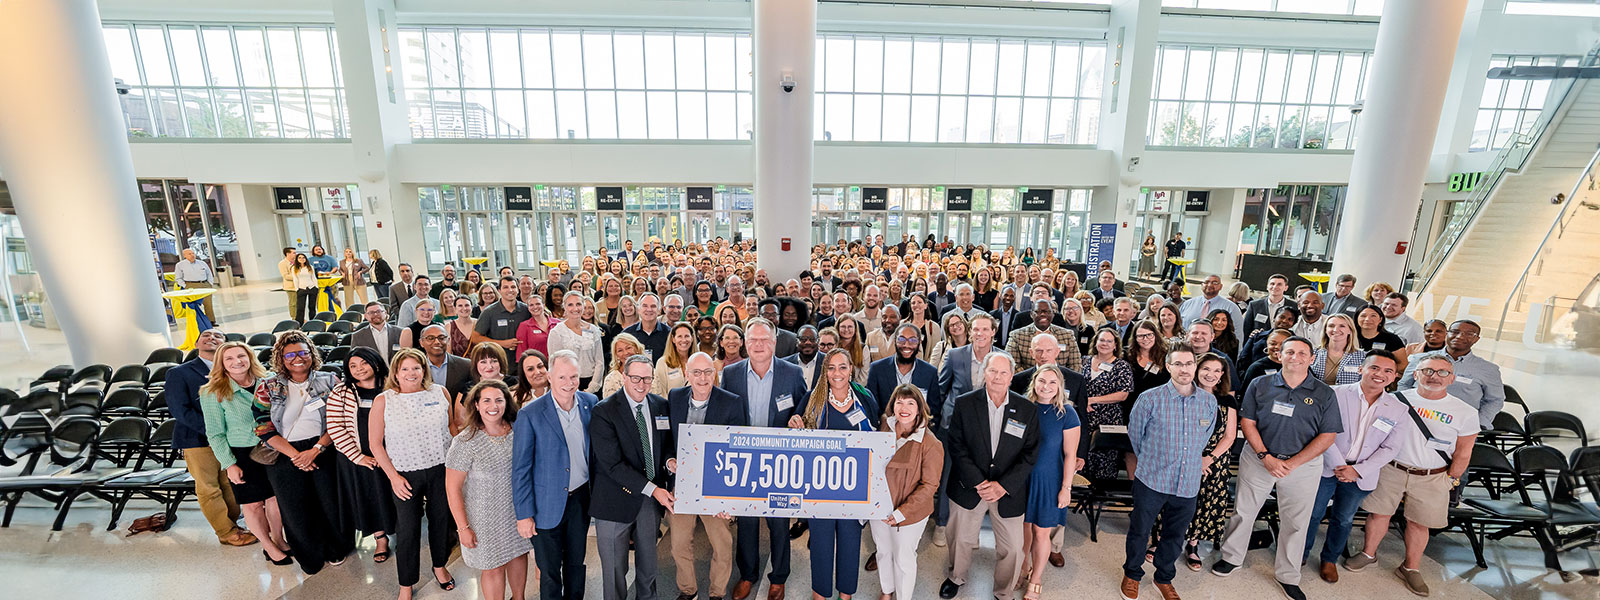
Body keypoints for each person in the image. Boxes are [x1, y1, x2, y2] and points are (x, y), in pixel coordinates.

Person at [1212, 336, 1342, 600]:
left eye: (1302, 353)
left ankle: (1288, 576)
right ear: (1279, 356)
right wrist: (1265, 456)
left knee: (1296, 522)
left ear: (1312, 358)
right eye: (1290, 352)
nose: (1296, 357)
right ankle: (1232, 557)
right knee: (1244, 511)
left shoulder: (1325, 393)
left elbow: (1328, 436)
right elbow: (1247, 422)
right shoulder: (1260, 384)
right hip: (1259, 458)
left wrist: (1293, 463)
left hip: (1302, 465)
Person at [1346, 354, 1478, 597]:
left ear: (1452, 378)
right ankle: (1368, 554)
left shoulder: (1465, 412)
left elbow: (1464, 451)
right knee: (1379, 514)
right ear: (1415, 374)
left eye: (1442, 372)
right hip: (1391, 468)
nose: (1434, 376)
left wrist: (1452, 479)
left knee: (1419, 523)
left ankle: (1410, 567)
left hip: (1433, 475)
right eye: (1427, 370)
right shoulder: (1396, 400)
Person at [1301, 351, 1411, 585]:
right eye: (1374, 368)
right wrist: (1340, 465)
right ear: (1361, 369)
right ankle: (1299, 556)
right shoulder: (1335, 394)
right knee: (1312, 514)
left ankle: (1329, 559)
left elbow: (1391, 448)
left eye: (1387, 371)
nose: (1380, 374)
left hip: (1362, 474)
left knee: (1343, 519)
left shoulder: (1398, 408)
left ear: (1394, 377)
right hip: (1326, 466)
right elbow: (1321, 431)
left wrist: (1358, 470)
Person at [939, 351, 1040, 600]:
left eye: (1003, 372)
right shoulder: (965, 403)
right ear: (984, 372)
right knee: (960, 538)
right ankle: (956, 576)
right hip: (969, 485)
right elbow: (957, 446)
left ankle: (1003, 590)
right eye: (992, 371)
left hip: (1008, 490)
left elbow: (1030, 453)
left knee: (1013, 548)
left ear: (1012, 375)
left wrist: (1003, 486)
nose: (997, 377)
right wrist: (979, 482)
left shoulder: (1026, 409)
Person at [251, 332, 353, 574]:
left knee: (331, 502)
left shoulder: (330, 380)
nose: (298, 358)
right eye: (290, 355)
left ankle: (336, 548)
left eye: (303, 353)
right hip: (284, 452)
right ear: (281, 358)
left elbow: (342, 420)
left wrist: (316, 450)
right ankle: (310, 556)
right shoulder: (268, 386)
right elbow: (262, 426)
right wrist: (296, 455)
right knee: (295, 508)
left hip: (324, 448)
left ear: (311, 354)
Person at [1121, 343, 1216, 600]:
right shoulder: (1150, 398)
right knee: (1140, 530)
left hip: (1187, 483)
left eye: (1188, 363)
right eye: (1178, 364)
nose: (1184, 369)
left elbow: (1204, 437)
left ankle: (1163, 577)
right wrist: (1156, 459)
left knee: (1175, 535)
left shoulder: (1208, 401)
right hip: (1152, 478)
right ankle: (1132, 573)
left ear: (1195, 366)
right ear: (1168, 366)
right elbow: (1136, 436)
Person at [723, 318, 808, 600]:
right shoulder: (731, 373)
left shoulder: (792, 373)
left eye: (764, 340)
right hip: (744, 462)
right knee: (746, 521)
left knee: (779, 522)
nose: (759, 345)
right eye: (753, 340)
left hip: (779, 463)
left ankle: (779, 577)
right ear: (746, 344)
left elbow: (802, 411)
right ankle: (747, 574)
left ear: (774, 343)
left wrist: (799, 419)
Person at [789, 349, 879, 600]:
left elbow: (877, 438)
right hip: (820, 490)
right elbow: (796, 438)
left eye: (842, 367)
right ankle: (820, 595)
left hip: (855, 489)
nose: (836, 373)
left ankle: (846, 595)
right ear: (824, 371)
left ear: (851, 369)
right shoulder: (812, 398)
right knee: (820, 544)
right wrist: (795, 424)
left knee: (851, 544)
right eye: (831, 368)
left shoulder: (865, 397)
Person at [370, 348, 458, 598]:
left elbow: (451, 427)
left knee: (441, 522)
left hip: (441, 469)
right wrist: (393, 477)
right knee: (407, 530)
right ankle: (406, 584)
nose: (411, 373)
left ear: (424, 370)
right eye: (405, 369)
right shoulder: (384, 400)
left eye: (416, 368)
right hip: (404, 474)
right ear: (396, 373)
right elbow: (376, 443)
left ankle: (440, 567)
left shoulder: (439, 392)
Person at [513, 350, 597, 600]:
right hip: (544, 506)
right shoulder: (530, 414)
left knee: (576, 565)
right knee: (549, 572)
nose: (569, 383)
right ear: (549, 376)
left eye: (574, 377)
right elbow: (520, 469)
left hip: (580, 500)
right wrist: (524, 515)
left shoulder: (590, 403)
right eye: (562, 377)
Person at [589, 355, 673, 600]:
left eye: (647, 378)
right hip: (614, 501)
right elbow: (613, 465)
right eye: (635, 378)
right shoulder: (604, 411)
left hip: (648, 503)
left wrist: (669, 461)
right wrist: (654, 489)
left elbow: (666, 444)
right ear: (624, 377)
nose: (641, 384)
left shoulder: (660, 405)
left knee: (649, 565)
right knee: (615, 570)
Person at [664, 352, 746, 600]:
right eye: (696, 372)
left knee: (722, 545)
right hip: (683, 483)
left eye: (708, 371)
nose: (702, 377)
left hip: (715, 484)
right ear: (687, 374)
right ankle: (688, 590)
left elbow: (738, 449)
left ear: (715, 373)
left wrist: (731, 498)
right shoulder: (675, 397)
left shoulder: (731, 402)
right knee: (678, 543)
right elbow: (667, 438)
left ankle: (717, 593)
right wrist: (669, 460)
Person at [199, 340, 288, 563]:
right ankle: (268, 546)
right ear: (221, 364)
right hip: (242, 453)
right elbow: (215, 434)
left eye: (241, 356)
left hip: (273, 447)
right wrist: (229, 464)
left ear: (250, 358)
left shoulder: (269, 381)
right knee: (253, 503)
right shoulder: (212, 392)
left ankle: (278, 538)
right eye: (229, 358)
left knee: (276, 499)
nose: (237, 362)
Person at [164, 328, 252, 546]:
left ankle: (234, 525)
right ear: (196, 344)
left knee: (230, 484)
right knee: (209, 488)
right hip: (197, 439)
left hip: (231, 439)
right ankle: (225, 531)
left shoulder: (232, 370)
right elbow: (180, 410)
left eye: (217, 336)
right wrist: (215, 431)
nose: (211, 338)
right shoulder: (179, 373)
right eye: (206, 336)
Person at [446, 381, 531, 600]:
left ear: (507, 403)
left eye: (499, 400)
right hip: (483, 518)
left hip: (517, 512)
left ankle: (519, 597)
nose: (493, 406)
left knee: (519, 555)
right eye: (486, 400)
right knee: (492, 567)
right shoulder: (465, 441)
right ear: (476, 404)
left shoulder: (519, 431)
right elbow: (452, 488)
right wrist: (463, 528)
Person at [869, 385, 943, 600]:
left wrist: (901, 513)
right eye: (899, 402)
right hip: (879, 509)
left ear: (920, 409)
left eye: (911, 403)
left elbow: (930, 486)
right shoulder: (884, 427)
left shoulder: (930, 444)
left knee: (903, 558)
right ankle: (887, 591)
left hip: (909, 515)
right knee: (883, 551)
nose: (904, 407)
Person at [325, 346, 397, 566]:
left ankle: (403, 531)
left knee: (396, 496)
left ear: (375, 362)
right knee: (371, 500)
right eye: (353, 366)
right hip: (361, 458)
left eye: (364, 363)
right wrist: (359, 457)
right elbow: (335, 427)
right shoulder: (341, 392)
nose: (359, 369)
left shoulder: (392, 385)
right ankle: (380, 538)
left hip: (394, 455)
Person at [1019, 366, 1081, 600]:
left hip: (1049, 480)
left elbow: (1070, 456)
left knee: (1041, 531)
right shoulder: (1024, 407)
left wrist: (1066, 488)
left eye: (1052, 382)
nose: (1046, 386)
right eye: (1041, 380)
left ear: (1060, 386)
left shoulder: (1067, 413)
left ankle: (1036, 579)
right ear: (1034, 381)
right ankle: (1024, 567)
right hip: (1023, 478)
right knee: (1024, 528)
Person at [1181, 353, 1239, 572]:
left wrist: (1208, 459)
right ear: (1197, 369)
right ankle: (1160, 539)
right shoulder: (1184, 394)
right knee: (1174, 500)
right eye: (1206, 369)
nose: (1211, 374)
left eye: (1217, 370)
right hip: (1184, 456)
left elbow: (1230, 436)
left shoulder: (1227, 400)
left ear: (1222, 374)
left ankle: (1193, 546)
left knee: (1202, 501)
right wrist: (1193, 459)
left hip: (1213, 461)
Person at [1396, 320, 1504, 427]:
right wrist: (1404, 411)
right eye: (1455, 332)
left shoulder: (1488, 369)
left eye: (1469, 334)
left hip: (1458, 424)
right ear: (1447, 334)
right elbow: (1404, 385)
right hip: (1415, 419)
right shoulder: (1421, 359)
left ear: (1476, 339)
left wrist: (1477, 423)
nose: (1460, 336)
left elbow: (1495, 400)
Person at [867, 323, 942, 438]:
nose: (906, 345)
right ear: (894, 341)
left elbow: (933, 411)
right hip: (885, 435)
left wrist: (923, 436)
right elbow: (872, 408)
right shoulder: (877, 369)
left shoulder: (929, 372)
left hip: (918, 437)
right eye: (901, 339)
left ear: (919, 343)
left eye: (912, 340)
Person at [1080, 328, 1134, 481]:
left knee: (1106, 461)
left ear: (1115, 345)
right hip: (1085, 417)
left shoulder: (1121, 366)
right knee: (1083, 458)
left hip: (1109, 419)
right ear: (1095, 342)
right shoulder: (1084, 361)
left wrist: (1093, 400)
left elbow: (1123, 394)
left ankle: (1102, 501)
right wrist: (1083, 402)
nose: (1105, 344)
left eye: (1109, 341)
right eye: (1101, 340)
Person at [1005, 299, 1084, 374]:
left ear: (1053, 315)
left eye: (1047, 311)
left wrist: (1057, 380)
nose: (1043, 314)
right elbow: (1011, 364)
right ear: (1032, 315)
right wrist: (1036, 379)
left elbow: (1075, 365)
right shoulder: (1017, 336)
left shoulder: (1067, 335)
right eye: (1038, 312)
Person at [550, 291, 606, 394]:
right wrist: (568, 386)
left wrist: (592, 387)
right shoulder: (557, 332)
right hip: (567, 385)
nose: (575, 309)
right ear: (564, 307)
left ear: (583, 306)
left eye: (578, 304)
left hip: (592, 383)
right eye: (570, 305)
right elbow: (555, 364)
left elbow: (600, 361)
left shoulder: (593, 330)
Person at [474, 276, 532, 354]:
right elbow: (475, 338)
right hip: (498, 359)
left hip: (523, 359)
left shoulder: (526, 310)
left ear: (518, 290)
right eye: (505, 287)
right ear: (499, 291)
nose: (510, 290)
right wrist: (502, 343)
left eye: (513, 287)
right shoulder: (489, 312)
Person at [1179, 275, 1244, 342]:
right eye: (1206, 282)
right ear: (1202, 285)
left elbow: (1238, 334)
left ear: (1221, 286)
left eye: (1215, 283)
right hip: (1187, 347)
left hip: (1219, 348)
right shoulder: (1187, 304)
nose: (1210, 285)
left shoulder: (1231, 308)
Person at [1311, 314, 1366, 386]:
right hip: (1317, 396)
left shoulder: (1362, 356)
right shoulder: (1313, 353)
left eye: (1342, 326)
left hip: (1347, 397)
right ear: (1325, 330)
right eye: (1331, 326)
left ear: (1350, 330)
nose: (1335, 330)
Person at [419, 323, 474, 395]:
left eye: (441, 338)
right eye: (430, 338)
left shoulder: (466, 365)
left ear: (448, 341)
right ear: (421, 343)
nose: (437, 342)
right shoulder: (416, 368)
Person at [652, 322, 697, 396]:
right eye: (679, 336)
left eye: (687, 336)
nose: (684, 340)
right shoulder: (663, 363)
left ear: (692, 338)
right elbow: (661, 393)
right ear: (673, 339)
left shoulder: (698, 362)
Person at [624, 293, 671, 362]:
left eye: (653, 306)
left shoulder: (669, 333)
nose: (649, 309)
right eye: (645, 306)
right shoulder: (627, 334)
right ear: (638, 309)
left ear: (659, 310)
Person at [174, 248, 218, 321]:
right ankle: (196, 321)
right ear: (184, 256)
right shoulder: (180, 265)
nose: (192, 255)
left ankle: (211, 321)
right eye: (189, 254)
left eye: (193, 253)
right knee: (193, 305)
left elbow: (209, 274)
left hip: (205, 285)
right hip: (190, 286)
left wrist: (210, 284)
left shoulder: (202, 263)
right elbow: (178, 278)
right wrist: (185, 286)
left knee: (208, 305)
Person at [1243, 274, 1291, 340]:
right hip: (1258, 345)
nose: (1275, 286)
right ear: (1267, 287)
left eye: (1279, 284)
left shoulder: (1293, 306)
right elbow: (1246, 329)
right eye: (1272, 284)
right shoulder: (1254, 305)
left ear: (1286, 288)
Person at [601, 333, 647, 398]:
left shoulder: (651, 373)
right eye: (620, 350)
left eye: (628, 348)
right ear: (616, 355)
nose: (625, 353)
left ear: (637, 348)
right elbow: (608, 407)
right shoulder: (611, 379)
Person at [783, 325, 825, 393]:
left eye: (812, 339)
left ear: (818, 342)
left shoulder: (828, 362)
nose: (808, 342)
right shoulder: (785, 364)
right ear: (797, 342)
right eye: (803, 339)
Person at [291, 252, 319, 323]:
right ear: (297, 259)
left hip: (311, 287)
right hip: (301, 288)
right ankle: (299, 323)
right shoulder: (294, 268)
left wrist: (316, 287)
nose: (302, 259)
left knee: (312, 307)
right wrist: (297, 289)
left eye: (303, 257)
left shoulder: (310, 267)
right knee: (300, 308)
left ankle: (313, 322)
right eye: (299, 258)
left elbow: (314, 278)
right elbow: (295, 279)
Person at [280, 247, 301, 318]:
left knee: (299, 303)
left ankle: (301, 317)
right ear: (288, 254)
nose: (296, 254)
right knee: (293, 303)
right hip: (291, 287)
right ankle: (294, 318)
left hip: (300, 285)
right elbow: (286, 276)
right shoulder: (282, 263)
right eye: (294, 253)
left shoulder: (297, 262)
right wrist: (298, 276)